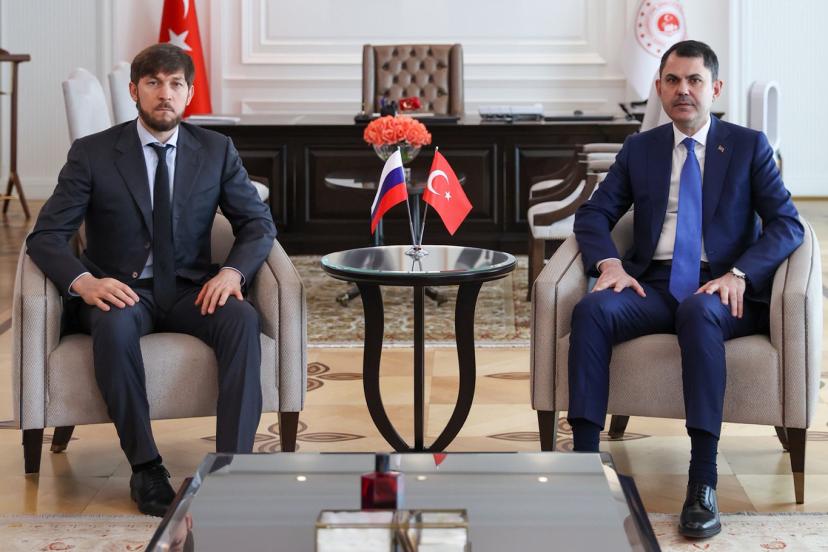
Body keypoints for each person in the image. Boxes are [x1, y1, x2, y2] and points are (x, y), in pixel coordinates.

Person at [26, 43, 276, 517]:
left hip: (190, 290)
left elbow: (257, 224)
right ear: (134, 91)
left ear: (189, 93)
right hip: (121, 291)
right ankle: (146, 467)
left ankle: (231, 469)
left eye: (175, 84)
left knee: (242, 319)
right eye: (153, 83)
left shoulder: (216, 150)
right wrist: (85, 282)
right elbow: (46, 237)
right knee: (114, 326)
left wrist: (232, 272)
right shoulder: (93, 153)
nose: (165, 94)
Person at [568, 40, 803, 538]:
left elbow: (787, 224)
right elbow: (593, 213)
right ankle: (583, 468)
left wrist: (740, 274)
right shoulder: (641, 149)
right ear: (659, 88)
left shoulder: (748, 146)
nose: (683, 90)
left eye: (695, 80)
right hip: (652, 285)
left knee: (698, 312)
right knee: (592, 310)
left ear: (715, 88)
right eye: (673, 80)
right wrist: (610, 263)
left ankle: (702, 481)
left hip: (723, 290)